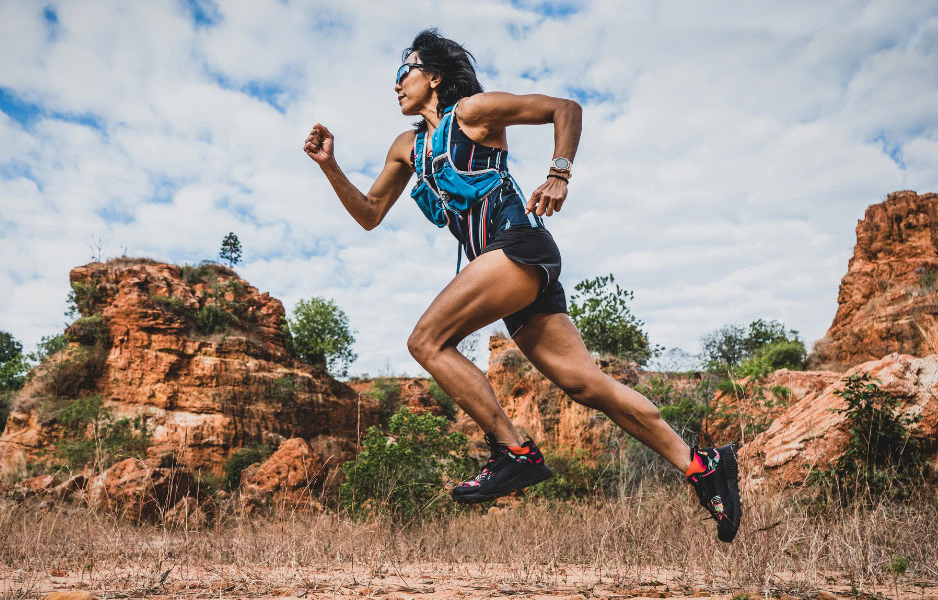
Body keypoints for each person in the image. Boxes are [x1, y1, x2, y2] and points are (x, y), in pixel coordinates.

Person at [304, 28, 741, 543]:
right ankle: (702, 466)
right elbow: (371, 213)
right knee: (586, 384)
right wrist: (330, 166)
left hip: (517, 246)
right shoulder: (406, 148)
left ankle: (514, 450)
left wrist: (560, 173)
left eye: (404, 72)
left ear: (434, 76)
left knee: (425, 341)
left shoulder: (474, 112)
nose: (396, 84)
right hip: (509, 269)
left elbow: (566, 108)